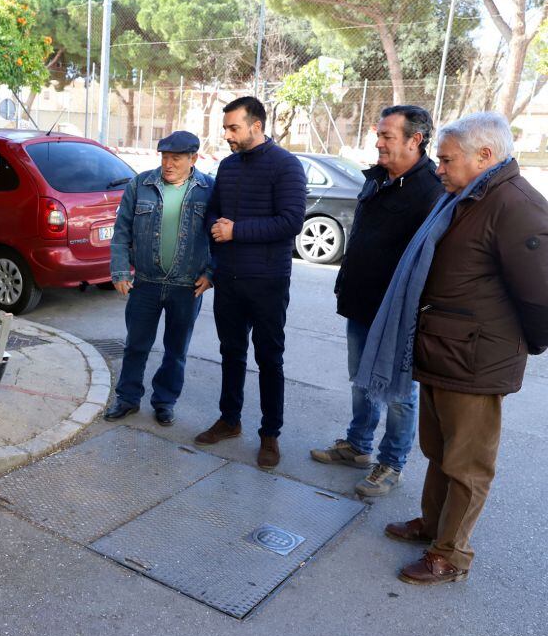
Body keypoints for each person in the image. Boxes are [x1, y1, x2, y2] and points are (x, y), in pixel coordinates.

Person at [356, 112, 548, 584]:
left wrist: (513, 345)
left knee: (467, 464)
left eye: (446, 159)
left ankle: (450, 554)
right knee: (438, 451)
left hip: (476, 359)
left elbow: (540, 294)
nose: (438, 168)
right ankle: (432, 527)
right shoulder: (467, 195)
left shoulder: (516, 204)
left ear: (485, 156)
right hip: (444, 351)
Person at [311, 105, 445, 497]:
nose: (379, 142)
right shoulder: (378, 178)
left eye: (387, 136)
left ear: (414, 140)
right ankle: (358, 445)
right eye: (380, 134)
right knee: (361, 379)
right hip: (361, 301)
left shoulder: (430, 191)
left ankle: (391, 463)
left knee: (397, 391)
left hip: (398, 312)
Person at [194, 96, 307, 469]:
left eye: (233, 128)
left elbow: (291, 221)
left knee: (269, 358)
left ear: (256, 126)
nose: (227, 135)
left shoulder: (286, 166)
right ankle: (229, 420)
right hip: (230, 278)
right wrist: (215, 226)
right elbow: (216, 209)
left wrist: (236, 230)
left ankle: (270, 434)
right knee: (231, 352)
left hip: (268, 280)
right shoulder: (227, 167)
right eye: (226, 128)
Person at [105, 130, 214, 426]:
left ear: (193, 159)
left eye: (176, 158)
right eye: (165, 157)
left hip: (187, 286)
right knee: (135, 345)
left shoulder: (209, 189)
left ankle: (165, 401)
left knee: (176, 350)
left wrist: (211, 274)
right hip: (146, 283)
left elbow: (219, 237)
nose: (168, 164)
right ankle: (127, 398)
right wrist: (119, 270)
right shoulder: (141, 184)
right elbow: (122, 230)